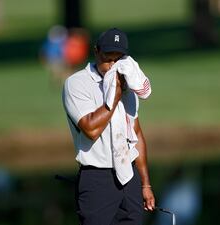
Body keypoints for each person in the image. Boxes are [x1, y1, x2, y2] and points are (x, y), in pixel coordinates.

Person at [62, 27, 155, 225]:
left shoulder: (127, 81)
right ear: (96, 51)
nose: (112, 65)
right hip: (97, 180)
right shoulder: (77, 84)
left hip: (129, 177)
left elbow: (136, 134)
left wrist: (145, 184)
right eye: (107, 58)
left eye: (118, 59)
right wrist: (115, 96)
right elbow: (91, 129)